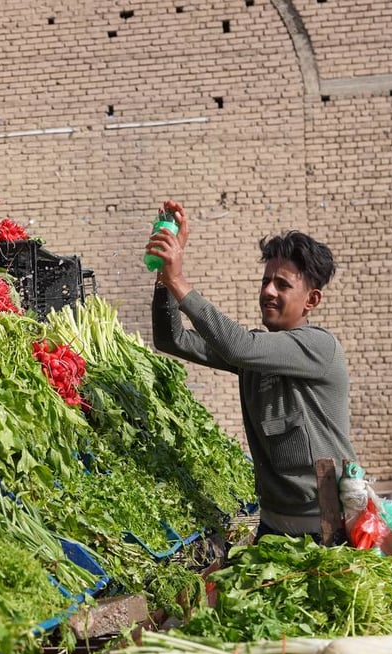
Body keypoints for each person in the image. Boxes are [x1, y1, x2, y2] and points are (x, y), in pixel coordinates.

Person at [146, 200, 358, 541]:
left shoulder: (319, 348)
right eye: (266, 281)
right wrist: (164, 278)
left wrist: (180, 280)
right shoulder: (255, 357)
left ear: (312, 300)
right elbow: (172, 340)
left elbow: (240, 346)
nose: (268, 291)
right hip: (274, 525)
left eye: (283, 285)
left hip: (328, 529)